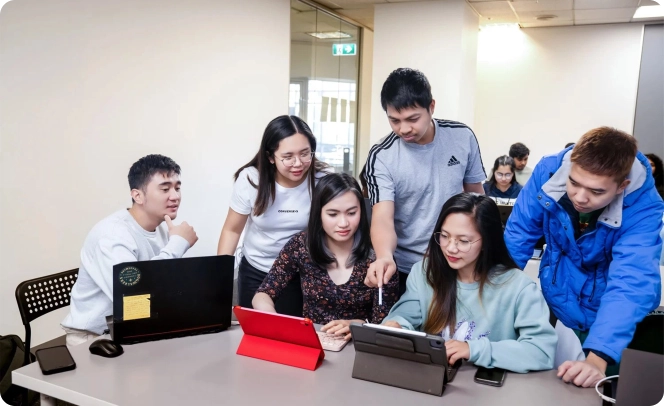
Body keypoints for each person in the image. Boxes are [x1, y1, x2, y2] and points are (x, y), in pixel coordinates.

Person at [505, 127, 664, 387]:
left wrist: (598, 357)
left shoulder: (644, 207)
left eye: (596, 191)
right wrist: (492, 296)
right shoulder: (548, 172)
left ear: (622, 185)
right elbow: (518, 235)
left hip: (610, 315)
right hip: (556, 297)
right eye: (574, 182)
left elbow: (631, 280)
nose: (579, 197)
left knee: (600, 386)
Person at [382, 193, 557, 372]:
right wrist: (397, 326)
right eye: (444, 236)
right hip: (432, 384)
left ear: (487, 240)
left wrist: (473, 349)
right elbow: (405, 316)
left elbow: (541, 352)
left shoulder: (519, 288)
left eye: (463, 241)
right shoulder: (425, 272)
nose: (450, 247)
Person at [363, 68, 486, 295]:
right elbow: (382, 217)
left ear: (431, 107)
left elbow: (476, 196)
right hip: (405, 269)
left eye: (413, 119)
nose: (404, 129)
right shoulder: (381, 155)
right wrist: (383, 257)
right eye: (394, 120)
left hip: (455, 261)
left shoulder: (462, 137)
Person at [61, 154, 198, 347]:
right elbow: (134, 301)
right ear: (137, 195)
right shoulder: (112, 235)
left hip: (137, 326)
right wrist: (177, 245)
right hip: (95, 339)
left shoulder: (160, 225)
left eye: (177, 187)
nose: (175, 196)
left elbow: (163, 288)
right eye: (165, 189)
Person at [253, 173, 399, 339]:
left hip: (360, 345)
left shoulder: (378, 255)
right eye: (332, 214)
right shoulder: (301, 245)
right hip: (312, 341)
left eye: (351, 213)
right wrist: (273, 318)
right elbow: (263, 293)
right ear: (318, 213)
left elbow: (385, 323)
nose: (343, 223)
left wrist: (357, 325)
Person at [217, 115, 328, 317]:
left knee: (295, 336)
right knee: (256, 335)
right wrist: (220, 276)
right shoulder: (252, 179)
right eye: (287, 157)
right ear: (270, 157)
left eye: (305, 154)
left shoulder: (322, 181)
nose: (298, 163)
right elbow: (232, 230)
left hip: (302, 273)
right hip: (257, 270)